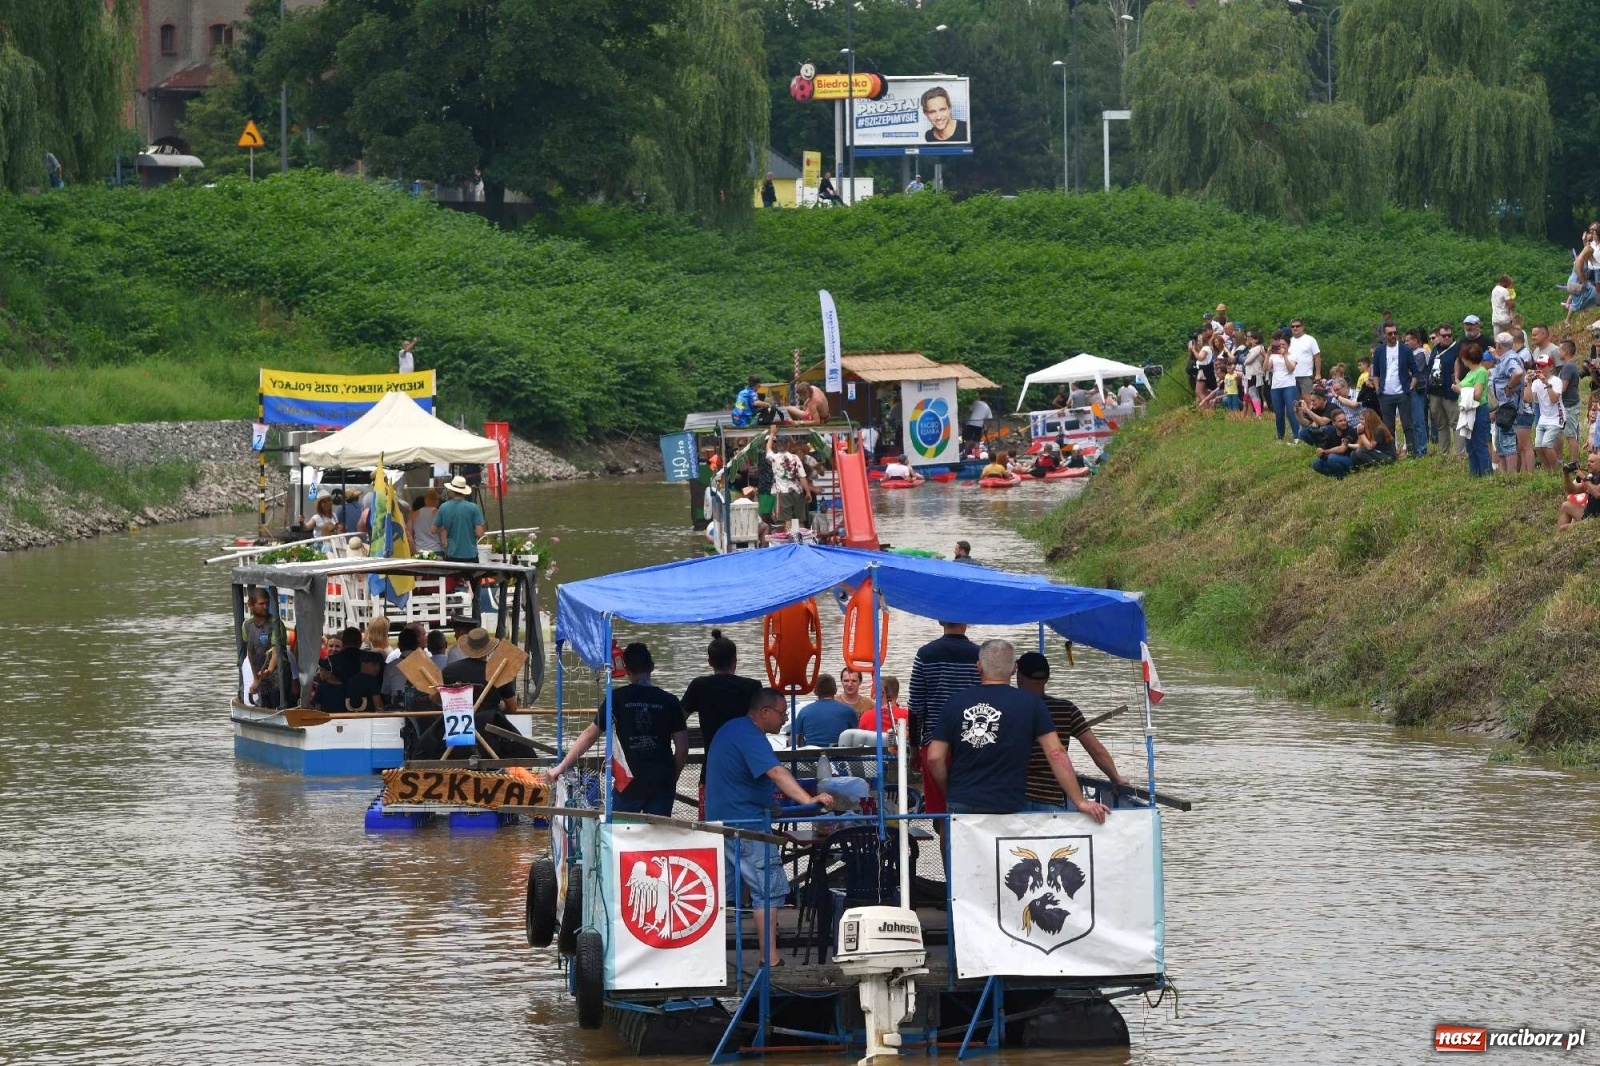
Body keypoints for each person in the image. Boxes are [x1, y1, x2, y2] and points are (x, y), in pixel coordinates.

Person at [705, 688, 835, 968]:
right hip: (745, 823)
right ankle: (770, 958)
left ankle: (721, 957)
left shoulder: (732, 728)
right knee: (769, 889)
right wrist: (808, 799)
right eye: (782, 713)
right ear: (764, 712)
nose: (785, 718)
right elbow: (776, 772)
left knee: (735, 891)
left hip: (724, 821)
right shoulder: (749, 735)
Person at [925, 640, 1108, 820]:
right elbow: (1056, 752)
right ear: (1013, 669)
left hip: (962, 799)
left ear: (979, 666)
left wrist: (950, 789)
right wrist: (1080, 801)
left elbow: (934, 757)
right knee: (1002, 850)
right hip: (1006, 803)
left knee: (962, 850)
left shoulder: (955, 702)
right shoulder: (1032, 704)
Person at [543, 643, 687, 815]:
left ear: (626, 670)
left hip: (629, 782)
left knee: (620, 836)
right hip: (661, 781)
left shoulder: (617, 698)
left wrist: (561, 767)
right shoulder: (669, 701)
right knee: (660, 838)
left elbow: (590, 735)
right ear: (652, 667)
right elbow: (682, 747)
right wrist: (671, 779)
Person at [1015, 652, 1126, 808]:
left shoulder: (1009, 708)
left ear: (1018, 676)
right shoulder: (1066, 709)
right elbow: (1096, 750)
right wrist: (1116, 778)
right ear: (1047, 678)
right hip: (1051, 800)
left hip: (1013, 799)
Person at [908, 621, 981, 818]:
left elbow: (915, 707)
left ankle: (947, 850)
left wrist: (914, 748)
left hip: (934, 748)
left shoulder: (925, 654)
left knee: (944, 817)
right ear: (966, 621)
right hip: (974, 746)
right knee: (973, 815)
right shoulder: (980, 655)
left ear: (940, 621)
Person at [1371, 322, 1420, 457]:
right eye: (1390, 333)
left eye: (1395, 333)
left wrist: (1410, 387)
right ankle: (1391, 453)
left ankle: (1412, 452)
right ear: (1384, 335)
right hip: (1385, 393)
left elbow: (1415, 372)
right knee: (1388, 427)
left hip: (1403, 392)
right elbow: (1376, 373)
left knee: (1408, 425)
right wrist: (1377, 389)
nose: (1393, 336)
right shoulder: (1379, 351)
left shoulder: (1405, 350)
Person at [1489, 333, 1527, 473]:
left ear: (1498, 345)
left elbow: (1517, 372)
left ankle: (1511, 476)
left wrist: (1510, 387)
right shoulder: (1506, 357)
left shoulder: (1510, 358)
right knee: (1500, 442)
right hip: (1502, 406)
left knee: (1507, 441)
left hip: (1509, 407)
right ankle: (1505, 475)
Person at [240, 589, 286, 707]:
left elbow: (276, 652)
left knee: (277, 704)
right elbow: (250, 652)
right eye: (261, 604)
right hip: (261, 673)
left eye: (267, 603)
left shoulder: (275, 624)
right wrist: (256, 679)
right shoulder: (247, 625)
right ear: (250, 605)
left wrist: (270, 670)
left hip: (277, 674)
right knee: (263, 704)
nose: (265, 607)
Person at [1457, 341, 1493, 477]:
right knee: (1470, 446)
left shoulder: (1481, 372)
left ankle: (1486, 474)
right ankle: (1474, 474)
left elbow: (1477, 394)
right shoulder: (1470, 372)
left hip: (1478, 411)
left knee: (1479, 443)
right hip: (1467, 411)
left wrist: (1459, 390)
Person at [1525, 353, 1565, 471]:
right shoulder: (1536, 383)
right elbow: (1528, 399)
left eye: (1542, 366)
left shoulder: (1556, 381)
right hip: (1543, 417)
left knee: (1547, 445)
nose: (1539, 369)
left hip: (1557, 417)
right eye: (1538, 366)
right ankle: (1548, 469)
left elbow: (1554, 399)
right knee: (1538, 446)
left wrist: (1546, 383)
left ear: (1551, 367)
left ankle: (1555, 470)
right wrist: (1528, 382)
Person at [792, 674, 857, 747]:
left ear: (815, 691)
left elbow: (794, 739)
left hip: (811, 756)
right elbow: (856, 737)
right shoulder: (849, 711)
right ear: (835, 690)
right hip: (840, 756)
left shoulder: (804, 712)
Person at [432, 475, 485, 561]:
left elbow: (433, 530)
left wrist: (445, 528)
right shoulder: (473, 507)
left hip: (452, 554)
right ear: (464, 492)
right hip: (470, 555)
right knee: (471, 574)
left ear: (452, 490)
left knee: (453, 575)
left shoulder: (443, 507)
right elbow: (480, 533)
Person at [1427, 322, 1461, 456]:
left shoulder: (1456, 349)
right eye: (1443, 335)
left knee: (1456, 422)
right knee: (1440, 424)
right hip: (1435, 392)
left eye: (1449, 335)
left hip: (1449, 392)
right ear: (1438, 336)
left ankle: (1460, 453)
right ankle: (1444, 452)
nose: (1447, 338)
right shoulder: (1435, 349)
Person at [766, 428, 811, 529]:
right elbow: (802, 476)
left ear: (777, 445)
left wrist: (772, 433)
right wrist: (808, 492)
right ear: (788, 445)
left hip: (783, 492)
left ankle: (792, 541)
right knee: (798, 520)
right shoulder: (795, 457)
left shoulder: (774, 458)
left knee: (787, 520)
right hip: (797, 492)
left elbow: (768, 448)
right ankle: (800, 542)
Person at [1266, 333, 1301, 442]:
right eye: (1279, 344)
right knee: (1279, 412)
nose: (1281, 346)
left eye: (1283, 344)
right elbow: (1266, 368)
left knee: (1291, 411)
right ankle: (1280, 436)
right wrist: (1267, 355)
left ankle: (1297, 436)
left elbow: (1291, 369)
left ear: (1288, 345)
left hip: (1289, 385)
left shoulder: (1293, 355)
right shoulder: (1273, 356)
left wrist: (1284, 355)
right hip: (1276, 386)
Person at [1310, 410, 1361, 478]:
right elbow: (1323, 449)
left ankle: (1343, 475)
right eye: (1340, 421)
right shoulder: (1331, 434)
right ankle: (1336, 475)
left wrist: (1325, 452)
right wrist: (1320, 452)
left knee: (1332, 457)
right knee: (1316, 464)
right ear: (1333, 423)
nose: (1344, 423)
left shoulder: (1350, 431)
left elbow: (1342, 449)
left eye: (1344, 420)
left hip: (1351, 460)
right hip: (1336, 460)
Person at [1557, 339, 1584, 466]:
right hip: (1569, 404)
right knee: (1569, 433)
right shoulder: (1570, 366)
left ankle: (1574, 461)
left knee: (1570, 434)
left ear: (1566, 352)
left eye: (1560, 349)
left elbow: (1562, 387)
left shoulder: (1568, 367)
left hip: (1569, 405)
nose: (1558, 352)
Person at [1558, 453, 1600, 530]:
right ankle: (1555, 539)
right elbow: (1572, 490)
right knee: (1565, 505)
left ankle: (1557, 540)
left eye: (1592, 462)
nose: (1588, 464)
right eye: (1588, 462)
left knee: (1563, 528)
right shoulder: (1591, 478)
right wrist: (1566, 475)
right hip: (1589, 515)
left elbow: (1597, 493)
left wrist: (1584, 478)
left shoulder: (1589, 479)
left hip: (1596, 519)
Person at [1289, 318, 1321, 398]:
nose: (1295, 328)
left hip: (1305, 375)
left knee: (1307, 398)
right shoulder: (1289, 341)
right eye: (1293, 327)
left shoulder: (1310, 340)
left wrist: (1318, 374)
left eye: (1297, 326)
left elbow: (1317, 357)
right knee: (1295, 400)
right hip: (1291, 376)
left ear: (1302, 327)